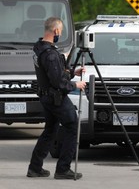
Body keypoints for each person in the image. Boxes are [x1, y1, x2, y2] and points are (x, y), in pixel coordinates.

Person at [27, 17, 86, 179]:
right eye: (61, 31)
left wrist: (73, 73)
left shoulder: (39, 48)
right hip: (56, 98)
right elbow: (58, 81)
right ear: (56, 31)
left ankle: (35, 168)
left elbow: (52, 74)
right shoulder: (50, 54)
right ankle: (63, 169)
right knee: (72, 126)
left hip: (46, 97)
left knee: (50, 130)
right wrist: (76, 85)